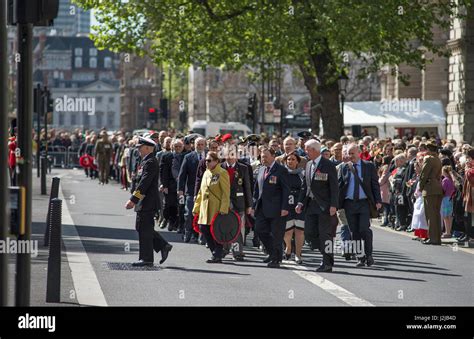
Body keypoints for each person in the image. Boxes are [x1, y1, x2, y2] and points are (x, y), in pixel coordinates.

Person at [125, 137, 172, 267]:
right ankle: (163, 246)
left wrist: (133, 200)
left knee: (144, 229)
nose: (138, 150)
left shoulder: (150, 162)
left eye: (140, 147)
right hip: (144, 201)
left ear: (147, 148)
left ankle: (146, 259)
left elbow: (144, 184)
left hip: (147, 201)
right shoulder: (146, 161)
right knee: (142, 228)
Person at [296, 140, 338, 272]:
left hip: (324, 206)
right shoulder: (308, 165)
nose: (305, 152)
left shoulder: (328, 165)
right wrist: (300, 202)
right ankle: (327, 253)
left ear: (314, 150)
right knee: (309, 233)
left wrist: (333, 205)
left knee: (325, 234)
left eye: (307, 149)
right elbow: (305, 186)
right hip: (311, 205)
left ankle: (327, 263)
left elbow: (334, 187)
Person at [338, 143, 382, 267]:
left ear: (358, 153)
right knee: (354, 231)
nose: (350, 156)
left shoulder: (368, 166)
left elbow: (375, 184)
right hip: (349, 203)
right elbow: (339, 186)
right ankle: (360, 257)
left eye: (352, 153)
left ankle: (369, 255)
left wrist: (378, 200)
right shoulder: (344, 168)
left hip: (364, 203)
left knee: (364, 229)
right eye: (348, 153)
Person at [252, 147, 290, 268]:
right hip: (262, 207)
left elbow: (286, 190)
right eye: (262, 157)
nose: (264, 159)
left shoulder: (281, 170)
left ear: (273, 156)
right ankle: (272, 252)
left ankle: (276, 259)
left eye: (266, 156)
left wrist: (285, 207)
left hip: (277, 208)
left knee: (276, 235)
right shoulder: (261, 169)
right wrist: (253, 205)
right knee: (259, 230)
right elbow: (257, 189)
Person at [192, 151, 230, 263]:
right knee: (204, 229)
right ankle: (217, 251)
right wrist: (196, 207)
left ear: (216, 161)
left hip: (216, 207)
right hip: (205, 207)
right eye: (205, 160)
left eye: (209, 160)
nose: (206, 162)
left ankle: (217, 254)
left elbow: (225, 192)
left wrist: (224, 208)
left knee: (216, 231)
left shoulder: (222, 173)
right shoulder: (206, 173)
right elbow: (201, 192)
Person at [221, 146, 252, 261]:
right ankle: (224, 250)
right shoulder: (220, 167)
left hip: (239, 203)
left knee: (238, 228)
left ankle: (237, 252)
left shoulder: (243, 168)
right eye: (227, 154)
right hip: (223, 203)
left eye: (232, 154)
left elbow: (247, 187)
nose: (230, 157)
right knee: (224, 227)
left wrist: (249, 205)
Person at [178, 136, 207, 242]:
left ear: (205, 145)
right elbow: (182, 174)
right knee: (189, 213)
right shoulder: (188, 157)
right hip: (190, 190)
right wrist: (180, 189)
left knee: (203, 214)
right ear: (193, 145)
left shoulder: (210, 157)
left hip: (206, 191)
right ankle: (187, 232)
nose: (199, 146)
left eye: (201, 144)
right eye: (197, 144)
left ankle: (201, 236)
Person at [283, 151, 306, 264]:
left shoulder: (302, 174)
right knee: (287, 232)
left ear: (297, 161)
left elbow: (306, 189)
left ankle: (298, 254)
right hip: (286, 206)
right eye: (289, 159)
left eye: (293, 159)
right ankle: (288, 247)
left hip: (299, 206)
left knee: (299, 231)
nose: (290, 161)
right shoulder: (282, 173)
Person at [419, 141, 443, 245]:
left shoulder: (428, 158)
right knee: (436, 214)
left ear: (428, 149)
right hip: (437, 187)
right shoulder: (437, 158)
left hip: (429, 188)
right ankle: (437, 238)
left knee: (430, 215)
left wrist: (420, 187)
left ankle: (432, 238)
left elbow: (424, 174)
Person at [441, 165, 456, 238]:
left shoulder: (445, 180)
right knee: (450, 216)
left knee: (445, 216)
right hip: (451, 198)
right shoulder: (452, 179)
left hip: (445, 199)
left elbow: (443, 190)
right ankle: (449, 231)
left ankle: (447, 232)